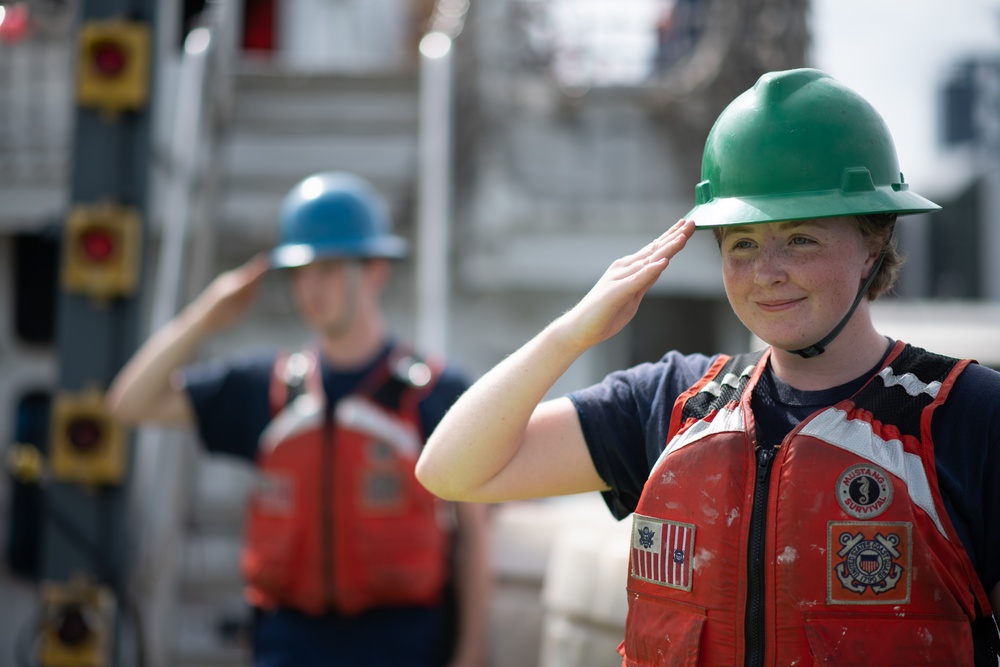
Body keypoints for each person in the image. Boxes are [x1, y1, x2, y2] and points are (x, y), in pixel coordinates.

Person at [416, 68, 1000, 665]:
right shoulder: (672, 400)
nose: (768, 272)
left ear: (872, 245)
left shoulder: (971, 417)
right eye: (742, 243)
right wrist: (573, 331)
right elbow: (452, 471)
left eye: (800, 239)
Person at [107, 171, 490, 667]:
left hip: (404, 641)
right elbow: (128, 403)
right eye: (301, 271)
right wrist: (206, 315)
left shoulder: (437, 391)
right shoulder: (265, 388)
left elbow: (475, 533)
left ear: (375, 270)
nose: (312, 287)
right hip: (290, 641)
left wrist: (471, 652)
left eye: (329, 269)